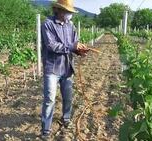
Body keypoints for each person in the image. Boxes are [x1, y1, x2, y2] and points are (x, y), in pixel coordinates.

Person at [40, 0, 89, 138]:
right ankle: (46, 130)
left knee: (68, 97)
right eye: (67, 12)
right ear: (58, 10)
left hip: (67, 67)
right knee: (49, 99)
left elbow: (74, 43)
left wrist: (80, 50)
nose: (69, 14)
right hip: (52, 68)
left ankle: (66, 119)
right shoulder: (47, 24)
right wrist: (72, 47)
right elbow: (52, 45)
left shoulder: (71, 26)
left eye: (70, 12)